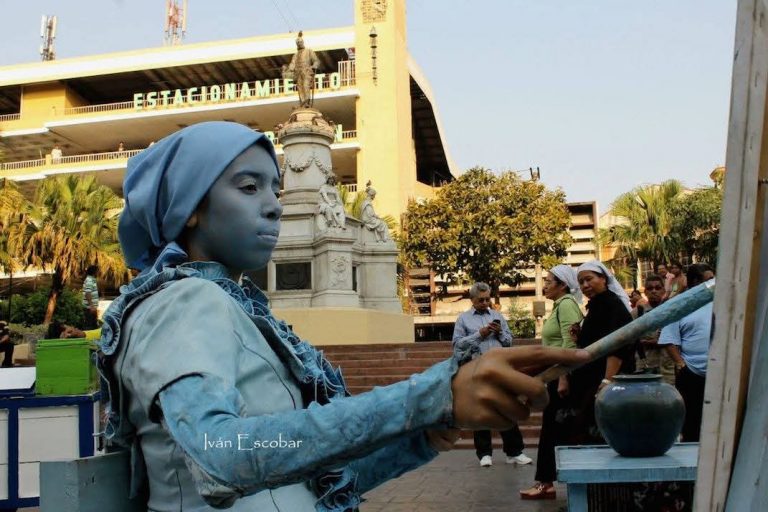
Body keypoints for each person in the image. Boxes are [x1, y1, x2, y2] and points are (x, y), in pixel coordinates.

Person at [98, 121, 589, 511]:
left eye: (275, 189)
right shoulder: (182, 301)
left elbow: (312, 483)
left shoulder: (230, 306)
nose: (272, 207)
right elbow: (219, 455)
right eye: (248, 187)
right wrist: (426, 396)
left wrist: (430, 427)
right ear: (188, 208)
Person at [520, 265, 583, 500]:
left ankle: (546, 483)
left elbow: (570, 343)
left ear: (562, 285)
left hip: (562, 379)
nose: (544, 285)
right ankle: (545, 482)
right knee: (551, 429)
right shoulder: (560, 305)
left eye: (548, 281)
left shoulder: (566, 305)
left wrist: (564, 378)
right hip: (555, 376)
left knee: (553, 430)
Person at [452, 282, 532, 467]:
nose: (485, 303)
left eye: (487, 299)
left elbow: (509, 342)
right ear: (472, 300)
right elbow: (457, 345)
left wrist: (500, 332)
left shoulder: (497, 316)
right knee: (480, 410)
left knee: (506, 408)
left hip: (499, 370)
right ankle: (484, 454)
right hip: (476, 369)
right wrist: (479, 334)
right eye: (481, 300)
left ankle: (514, 452)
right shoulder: (463, 319)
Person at [568, 260, 634, 444]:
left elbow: (618, 345)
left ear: (603, 278)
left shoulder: (612, 305)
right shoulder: (596, 305)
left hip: (604, 381)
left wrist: (607, 380)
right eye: (581, 282)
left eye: (589, 279)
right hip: (591, 378)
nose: (585, 285)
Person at [658, 263, 714, 442]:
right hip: (691, 373)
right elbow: (669, 340)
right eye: (709, 279)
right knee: (692, 424)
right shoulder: (679, 305)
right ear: (695, 282)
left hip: (721, 372)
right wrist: (681, 365)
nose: (714, 283)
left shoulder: (721, 302)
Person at [633, 274, 675, 384]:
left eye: (657, 288)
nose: (654, 291)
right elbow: (630, 338)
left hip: (668, 367)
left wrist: (660, 341)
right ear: (645, 292)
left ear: (663, 291)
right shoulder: (638, 313)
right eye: (650, 288)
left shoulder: (671, 311)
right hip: (645, 365)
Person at [283, 31, 320, 108]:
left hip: (306, 72)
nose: (299, 43)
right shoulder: (295, 55)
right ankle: (303, 102)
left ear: (303, 42)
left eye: (300, 42)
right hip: (298, 73)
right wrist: (289, 69)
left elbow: (316, 60)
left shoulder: (308, 51)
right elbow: (292, 64)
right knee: (300, 87)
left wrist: (314, 66)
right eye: (298, 43)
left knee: (306, 85)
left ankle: (307, 102)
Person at [82, 265, 99, 329]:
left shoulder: (92, 279)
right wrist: (91, 306)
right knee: (89, 326)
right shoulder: (89, 280)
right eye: (97, 271)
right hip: (89, 308)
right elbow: (87, 293)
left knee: (93, 326)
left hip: (91, 308)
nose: (98, 273)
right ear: (94, 272)